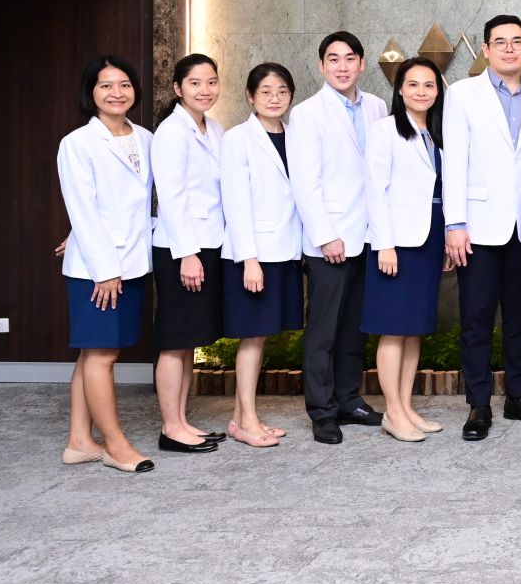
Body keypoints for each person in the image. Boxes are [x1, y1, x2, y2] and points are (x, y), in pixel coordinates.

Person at [442, 14, 521, 441]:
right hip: (478, 227)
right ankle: (478, 404)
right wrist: (455, 223)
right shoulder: (462, 93)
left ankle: (518, 397)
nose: (509, 49)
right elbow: (454, 160)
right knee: (476, 320)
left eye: (517, 41)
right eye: (500, 42)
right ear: (485, 50)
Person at [287, 31, 389, 444]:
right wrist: (325, 235)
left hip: (368, 236)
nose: (342, 66)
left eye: (350, 58)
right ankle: (322, 410)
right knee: (324, 330)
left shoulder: (377, 106)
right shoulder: (307, 114)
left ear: (362, 63)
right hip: (331, 240)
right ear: (321, 65)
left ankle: (349, 399)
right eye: (333, 59)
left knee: (354, 328)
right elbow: (304, 182)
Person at [56, 55, 155, 473]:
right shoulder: (77, 143)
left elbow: (138, 206)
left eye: (124, 84)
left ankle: (79, 441)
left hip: (134, 261)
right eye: (106, 85)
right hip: (99, 271)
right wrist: (105, 269)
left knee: (92, 353)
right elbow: (82, 207)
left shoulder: (145, 137)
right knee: (102, 355)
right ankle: (115, 445)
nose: (117, 93)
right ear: (91, 92)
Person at [364, 58, 451, 442]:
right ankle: (392, 412)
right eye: (413, 84)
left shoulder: (438, 132)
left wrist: (445, 239)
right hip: (396, 243)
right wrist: (384, 244)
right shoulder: (385, 130)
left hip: (429, 239)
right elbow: (375, 189)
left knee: (414, 329)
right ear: (400, 89)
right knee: (393, 330)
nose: (421, 92)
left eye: (429, 85)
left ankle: (406, 406)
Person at [220, 63, 305, 447]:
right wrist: (249, 260)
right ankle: (248, 421)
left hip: (285, 250)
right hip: (255, 255)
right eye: (266, 91)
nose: (275, 98)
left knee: (262, 337)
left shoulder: (294, 134)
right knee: (252, 338)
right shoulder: (238, 138)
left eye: (282, 91)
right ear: (250, 96)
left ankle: (241, 418)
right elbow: (235, 202)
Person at [150, 53, 228, 454]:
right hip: (182, 249)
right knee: (174, 339)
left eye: (211, 81)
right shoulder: (171, 131)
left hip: (209, 243)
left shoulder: (213, 127)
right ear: (178, 88)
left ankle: (181, 421)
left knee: (188, 342)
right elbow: (172, 197)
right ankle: (170, 427)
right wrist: (187, 254)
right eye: (195, 83)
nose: (205, 90)